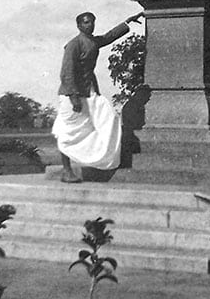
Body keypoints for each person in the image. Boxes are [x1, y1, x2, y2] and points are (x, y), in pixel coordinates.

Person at [52, 11, 144, 183]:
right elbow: (66, 72)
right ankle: (66, 170)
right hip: (72, 94)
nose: (90, 25)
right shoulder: (74, 44)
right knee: (69, 131)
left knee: (109, 118)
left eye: (92, 22)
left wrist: (127, 22)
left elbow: (108, 37)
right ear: (79, 25)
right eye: (86, 22)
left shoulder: (92, 41)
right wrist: (73, 96)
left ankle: (102, 158)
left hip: (90, 91)